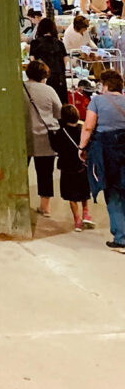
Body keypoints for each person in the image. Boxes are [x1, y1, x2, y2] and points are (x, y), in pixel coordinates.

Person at [79, 69, 125, 251]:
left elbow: (88, 127)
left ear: (105, 85)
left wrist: (82, 148)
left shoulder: (97, 101)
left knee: (113, 192)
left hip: (108, 151)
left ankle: (121, 237)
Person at [23, 60, 62, 218]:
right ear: (44, 75)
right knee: (45, 173)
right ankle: (45, 207)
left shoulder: (20, 88)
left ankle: (19, 200)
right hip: (46, 137)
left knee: (21, 170)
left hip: (24, 136)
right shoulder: (49, 90)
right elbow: (59, 112)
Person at [53, 104, 94, 233]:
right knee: (84, 192)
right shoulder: (82, 129)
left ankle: (77, 220)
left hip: (67, 168)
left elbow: (56, 148)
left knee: (71, 195)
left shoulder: (61, 132)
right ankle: (86, 213)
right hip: (82, 166)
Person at [29, 18, 69, 102]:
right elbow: (65, 60)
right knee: (60, 105)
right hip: (59, 80)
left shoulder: (35, 43)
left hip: (43, 79)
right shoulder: (59, 43)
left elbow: (33, 63)